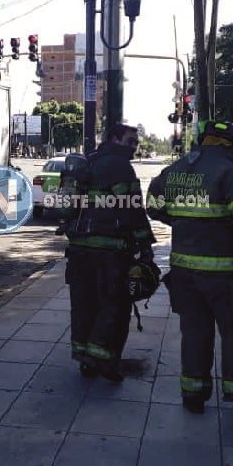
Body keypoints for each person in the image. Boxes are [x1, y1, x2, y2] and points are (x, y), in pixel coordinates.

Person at [147, 120, 233, 418]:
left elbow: (153, 205)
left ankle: (193, 394)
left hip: (183, 272)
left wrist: (182, 223)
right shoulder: (230, 173)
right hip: (225, 274)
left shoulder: (175, 170)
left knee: (194, 333)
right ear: (231, 143)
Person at [65, 122, 156, 382]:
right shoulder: (119, 165)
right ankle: (106, 363)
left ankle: (85, 360)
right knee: (114, 307)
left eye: (135, 143)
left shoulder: (88, 160)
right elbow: (133, 210)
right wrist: (145, 246)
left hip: (79, 251)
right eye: (130, 141)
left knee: (84, 306)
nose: (134, 148)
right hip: (110, 253)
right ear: (115, 139)